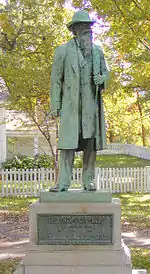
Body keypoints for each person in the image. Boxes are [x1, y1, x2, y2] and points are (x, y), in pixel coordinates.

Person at [50, 10, 109, 191]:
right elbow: (56, 80)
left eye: (89, 28)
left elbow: (106, 73)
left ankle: (88, 181)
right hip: (71, 106)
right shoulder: (63, 51)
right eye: (84, 28)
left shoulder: (98, 52)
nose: (88, 32)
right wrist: (55, 105)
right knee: (67, 146)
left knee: (89, 145)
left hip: (90, 106)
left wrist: (104, 79)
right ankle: (63, 183)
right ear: (75, 30)